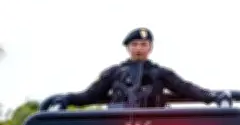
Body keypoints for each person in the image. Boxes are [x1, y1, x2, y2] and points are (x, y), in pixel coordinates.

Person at [53, 28, 230, 109]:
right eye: (135, 44)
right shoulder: (113, 73)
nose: (139, 48)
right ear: (128, 48)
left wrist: (212, 96)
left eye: (143, 44)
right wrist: (67, 98)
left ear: (150, 48)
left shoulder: (161, 73)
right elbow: (90, 95)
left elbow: (185, 88)